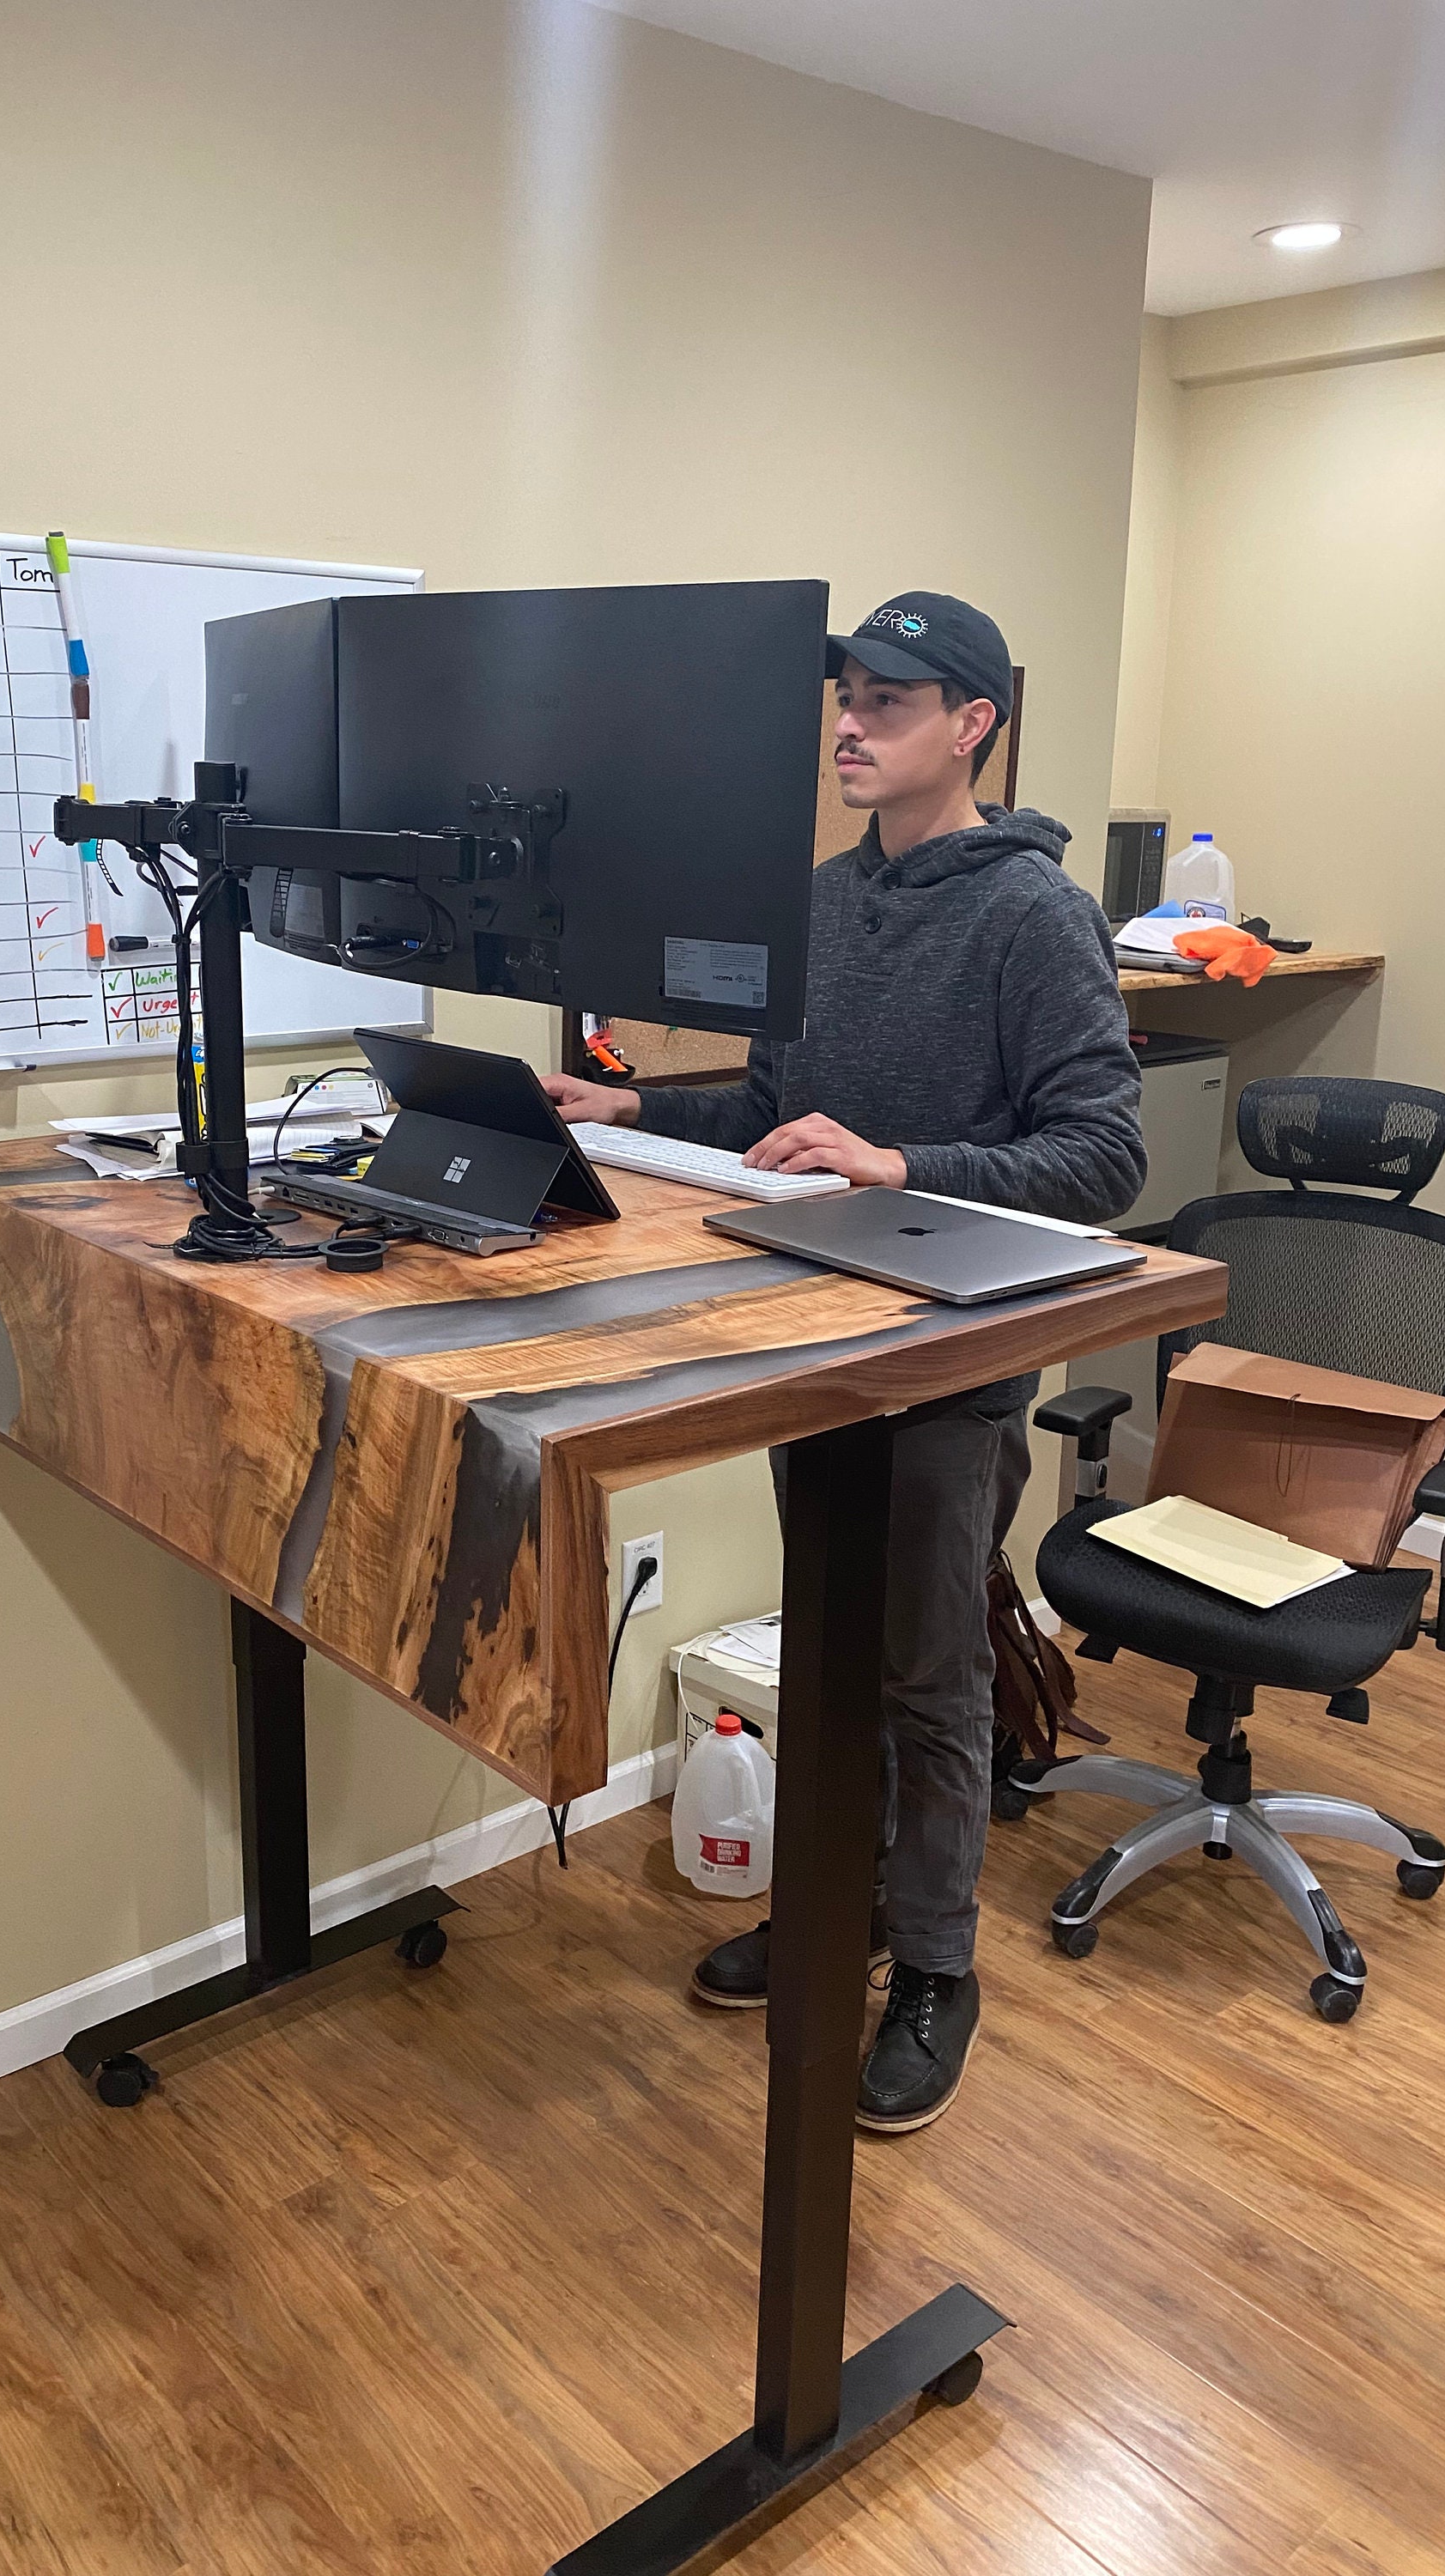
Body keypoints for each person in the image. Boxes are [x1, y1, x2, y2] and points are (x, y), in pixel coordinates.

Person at [542, 591, 1145, 2133]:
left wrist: (899, 1167)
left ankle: (935, 1966)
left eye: (890, 699)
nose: (851, 724)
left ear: (973, 724)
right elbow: (776, 1116)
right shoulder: (813, 902)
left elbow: (1099, 1156)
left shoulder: (1032, 916)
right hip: (815, 1340)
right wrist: (634, 1117)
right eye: (846, 697)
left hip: (951, 1351)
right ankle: (840, 1911)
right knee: (830, 1643)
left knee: (924, 1673)